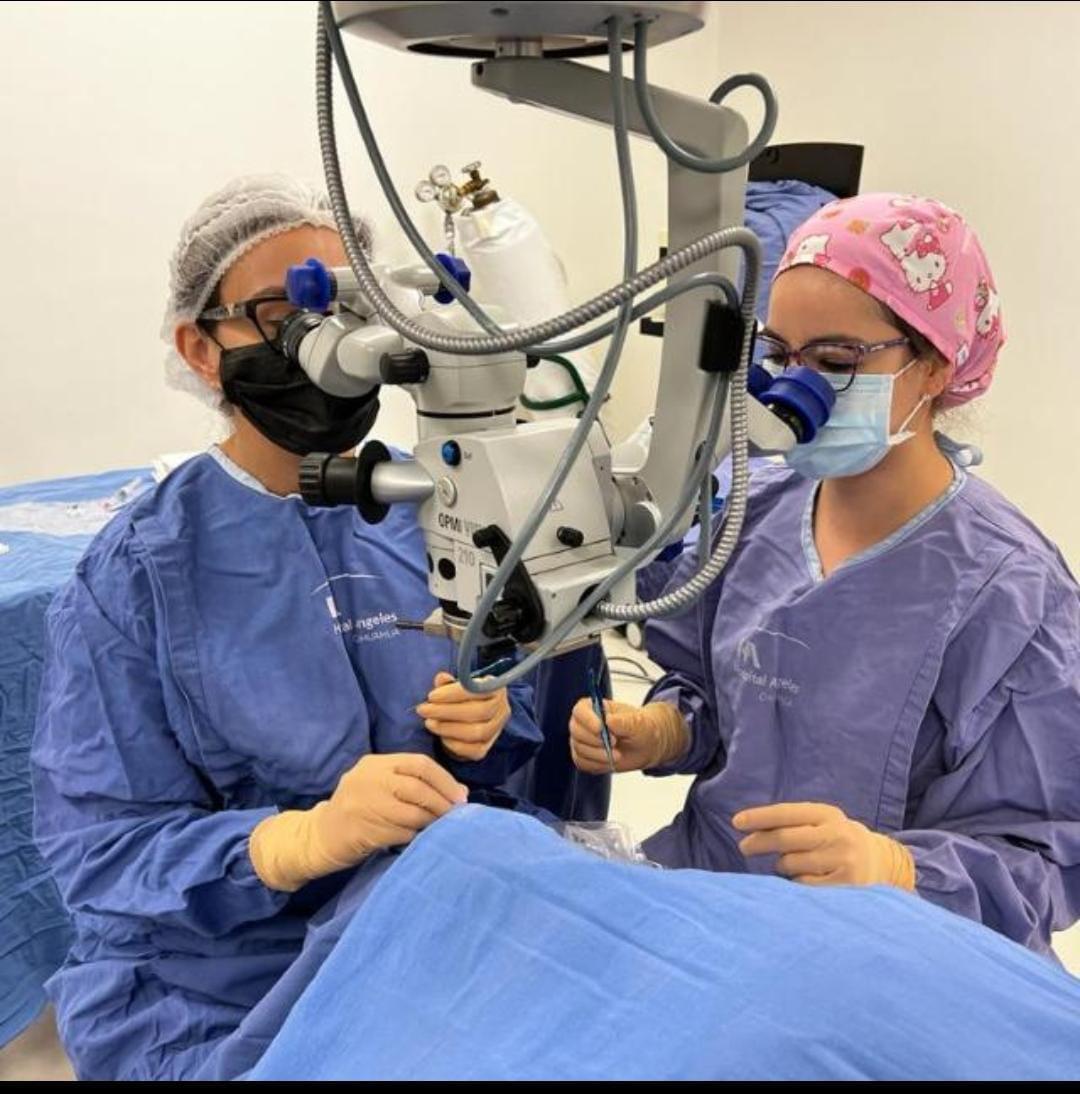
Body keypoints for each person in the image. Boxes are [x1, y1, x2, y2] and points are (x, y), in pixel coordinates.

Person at [31, 175, 544, 1080]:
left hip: (433, 911)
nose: (332, 341)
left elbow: (516, 711)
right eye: (285, 311)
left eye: (352, 306)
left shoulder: (437, 506)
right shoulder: (138, 576)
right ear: (201, 347)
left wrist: (494, 716)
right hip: (228, 976)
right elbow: (102, 848)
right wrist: (293, 843)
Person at [570, 192, 1080, 956]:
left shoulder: (1013, 595)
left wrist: (895, 869)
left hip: (892, 952)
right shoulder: (752, 509)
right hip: (716, 900)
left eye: (837, 362)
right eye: (780, 356)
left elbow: (1042, 854)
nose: (793, 390)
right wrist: (667, 729)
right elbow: (713, 690)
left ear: (934, 366)